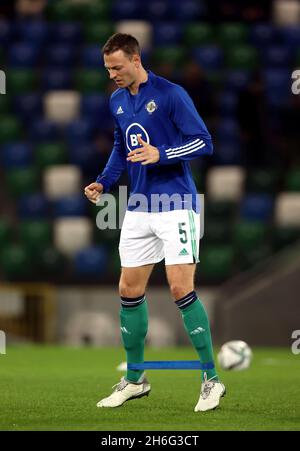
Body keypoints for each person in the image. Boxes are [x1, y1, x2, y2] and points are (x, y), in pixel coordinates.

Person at [84, 33, 225, 412]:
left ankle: (211, 379)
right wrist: (104, 181)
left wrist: (161, 153)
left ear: (135, 59)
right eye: (107, 68)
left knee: (181, 288)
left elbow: (203, 142)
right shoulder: (116, 100)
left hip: (177, 203)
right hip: (139, 206)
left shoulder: (170, 94)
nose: (112, 74)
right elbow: (121, 147)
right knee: (128, 290)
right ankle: (135, 379)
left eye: (117, 67)